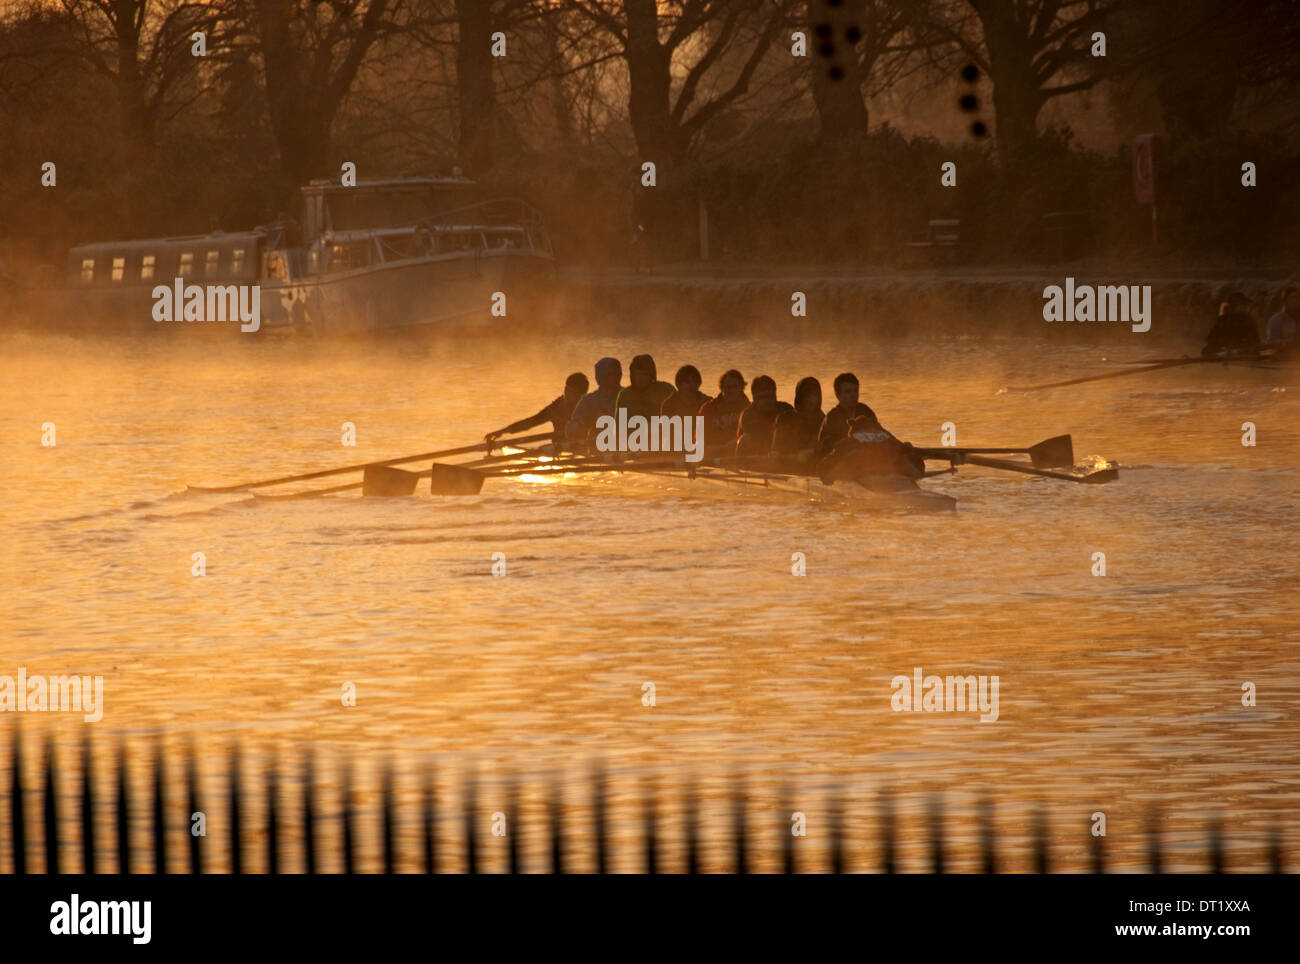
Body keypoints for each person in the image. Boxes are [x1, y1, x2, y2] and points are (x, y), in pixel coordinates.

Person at [484, 372, 589, 450]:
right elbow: (531, 422)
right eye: (566, 390)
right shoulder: (556, 408)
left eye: (572, 392)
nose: (567, 395)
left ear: (582, 395)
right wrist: (503, 431)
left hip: (584, 448)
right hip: (559, 450)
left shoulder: (590, 407)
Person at [817, 414, 926, 486]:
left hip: (870, 473)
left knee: (843, 462)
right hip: (886, 473)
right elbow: (909, 453)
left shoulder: (851, 441)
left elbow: (832, 457)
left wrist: (824, 475)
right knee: (903, 454)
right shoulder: (887, 439)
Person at [817, 372, 881, 457]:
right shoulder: (832, 417)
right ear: (838, 395)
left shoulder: (865, 411)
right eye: (848, 391)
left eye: (855, 390)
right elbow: (826, 447)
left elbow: (878, 431)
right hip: (840, 459)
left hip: (867, 455)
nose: (853, 395)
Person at [565, 357, 623, 449]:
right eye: (610, 374)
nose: (614, 378)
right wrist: (581, 424)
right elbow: (570, 432)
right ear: (600, 377)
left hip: (626, 450)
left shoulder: (630, 397)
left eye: (617, 374)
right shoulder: (588, 401)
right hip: (597, 452)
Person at [771, 377, 825, 469]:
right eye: (806, 396)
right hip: (787, 467)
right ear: (799, 397)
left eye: (814, 395)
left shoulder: (824, 420)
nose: (811, 400)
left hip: (813, 467)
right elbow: (776, 451)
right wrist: (795, 457)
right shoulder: (784, 419)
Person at [735, 375, 793, 458]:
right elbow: (758, 436)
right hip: (756, 455)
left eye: (772, 396)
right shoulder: (748, 414)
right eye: (764, 397)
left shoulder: (786, 409)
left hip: (783, 454)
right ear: (755, 399)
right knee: (745, 438)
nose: (769, 400)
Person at [697, 369, 750, 458]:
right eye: (728, 387)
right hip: (712, 453)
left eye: (735, 387)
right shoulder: (708, 408)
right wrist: (720, 448)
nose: (732, 391)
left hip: (738, 454)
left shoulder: (749, 409)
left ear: (742, 388)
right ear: (722, 388)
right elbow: (698, 438)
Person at [614, 354, 675, 422]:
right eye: (637, 374)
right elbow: (619, 425)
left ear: (651, 375)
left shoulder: (666, 390)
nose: (640, 378)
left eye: (644, 374)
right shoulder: (625, 395)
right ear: (632, 375)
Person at [1201, 291, 1261, 357]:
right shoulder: (1223, 319)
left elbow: (1255, 340)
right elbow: (1211, 338)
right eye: (1242, 304)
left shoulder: (1248, 320)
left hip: (1241, 352)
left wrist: (1240, 345)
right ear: (1234, 305)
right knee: (1207, 350)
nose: (1245, 307)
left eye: (1245, 304)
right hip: (1223, 351)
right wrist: (1222, 346)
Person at [1265, 285, 1299, 349]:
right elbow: (1271, 342)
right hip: (1283, 356)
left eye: (1298, 297)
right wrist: (1289, 342)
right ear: (1285, 301)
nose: (1296, 300)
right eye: (1293, 297)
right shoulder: (1276, 320)